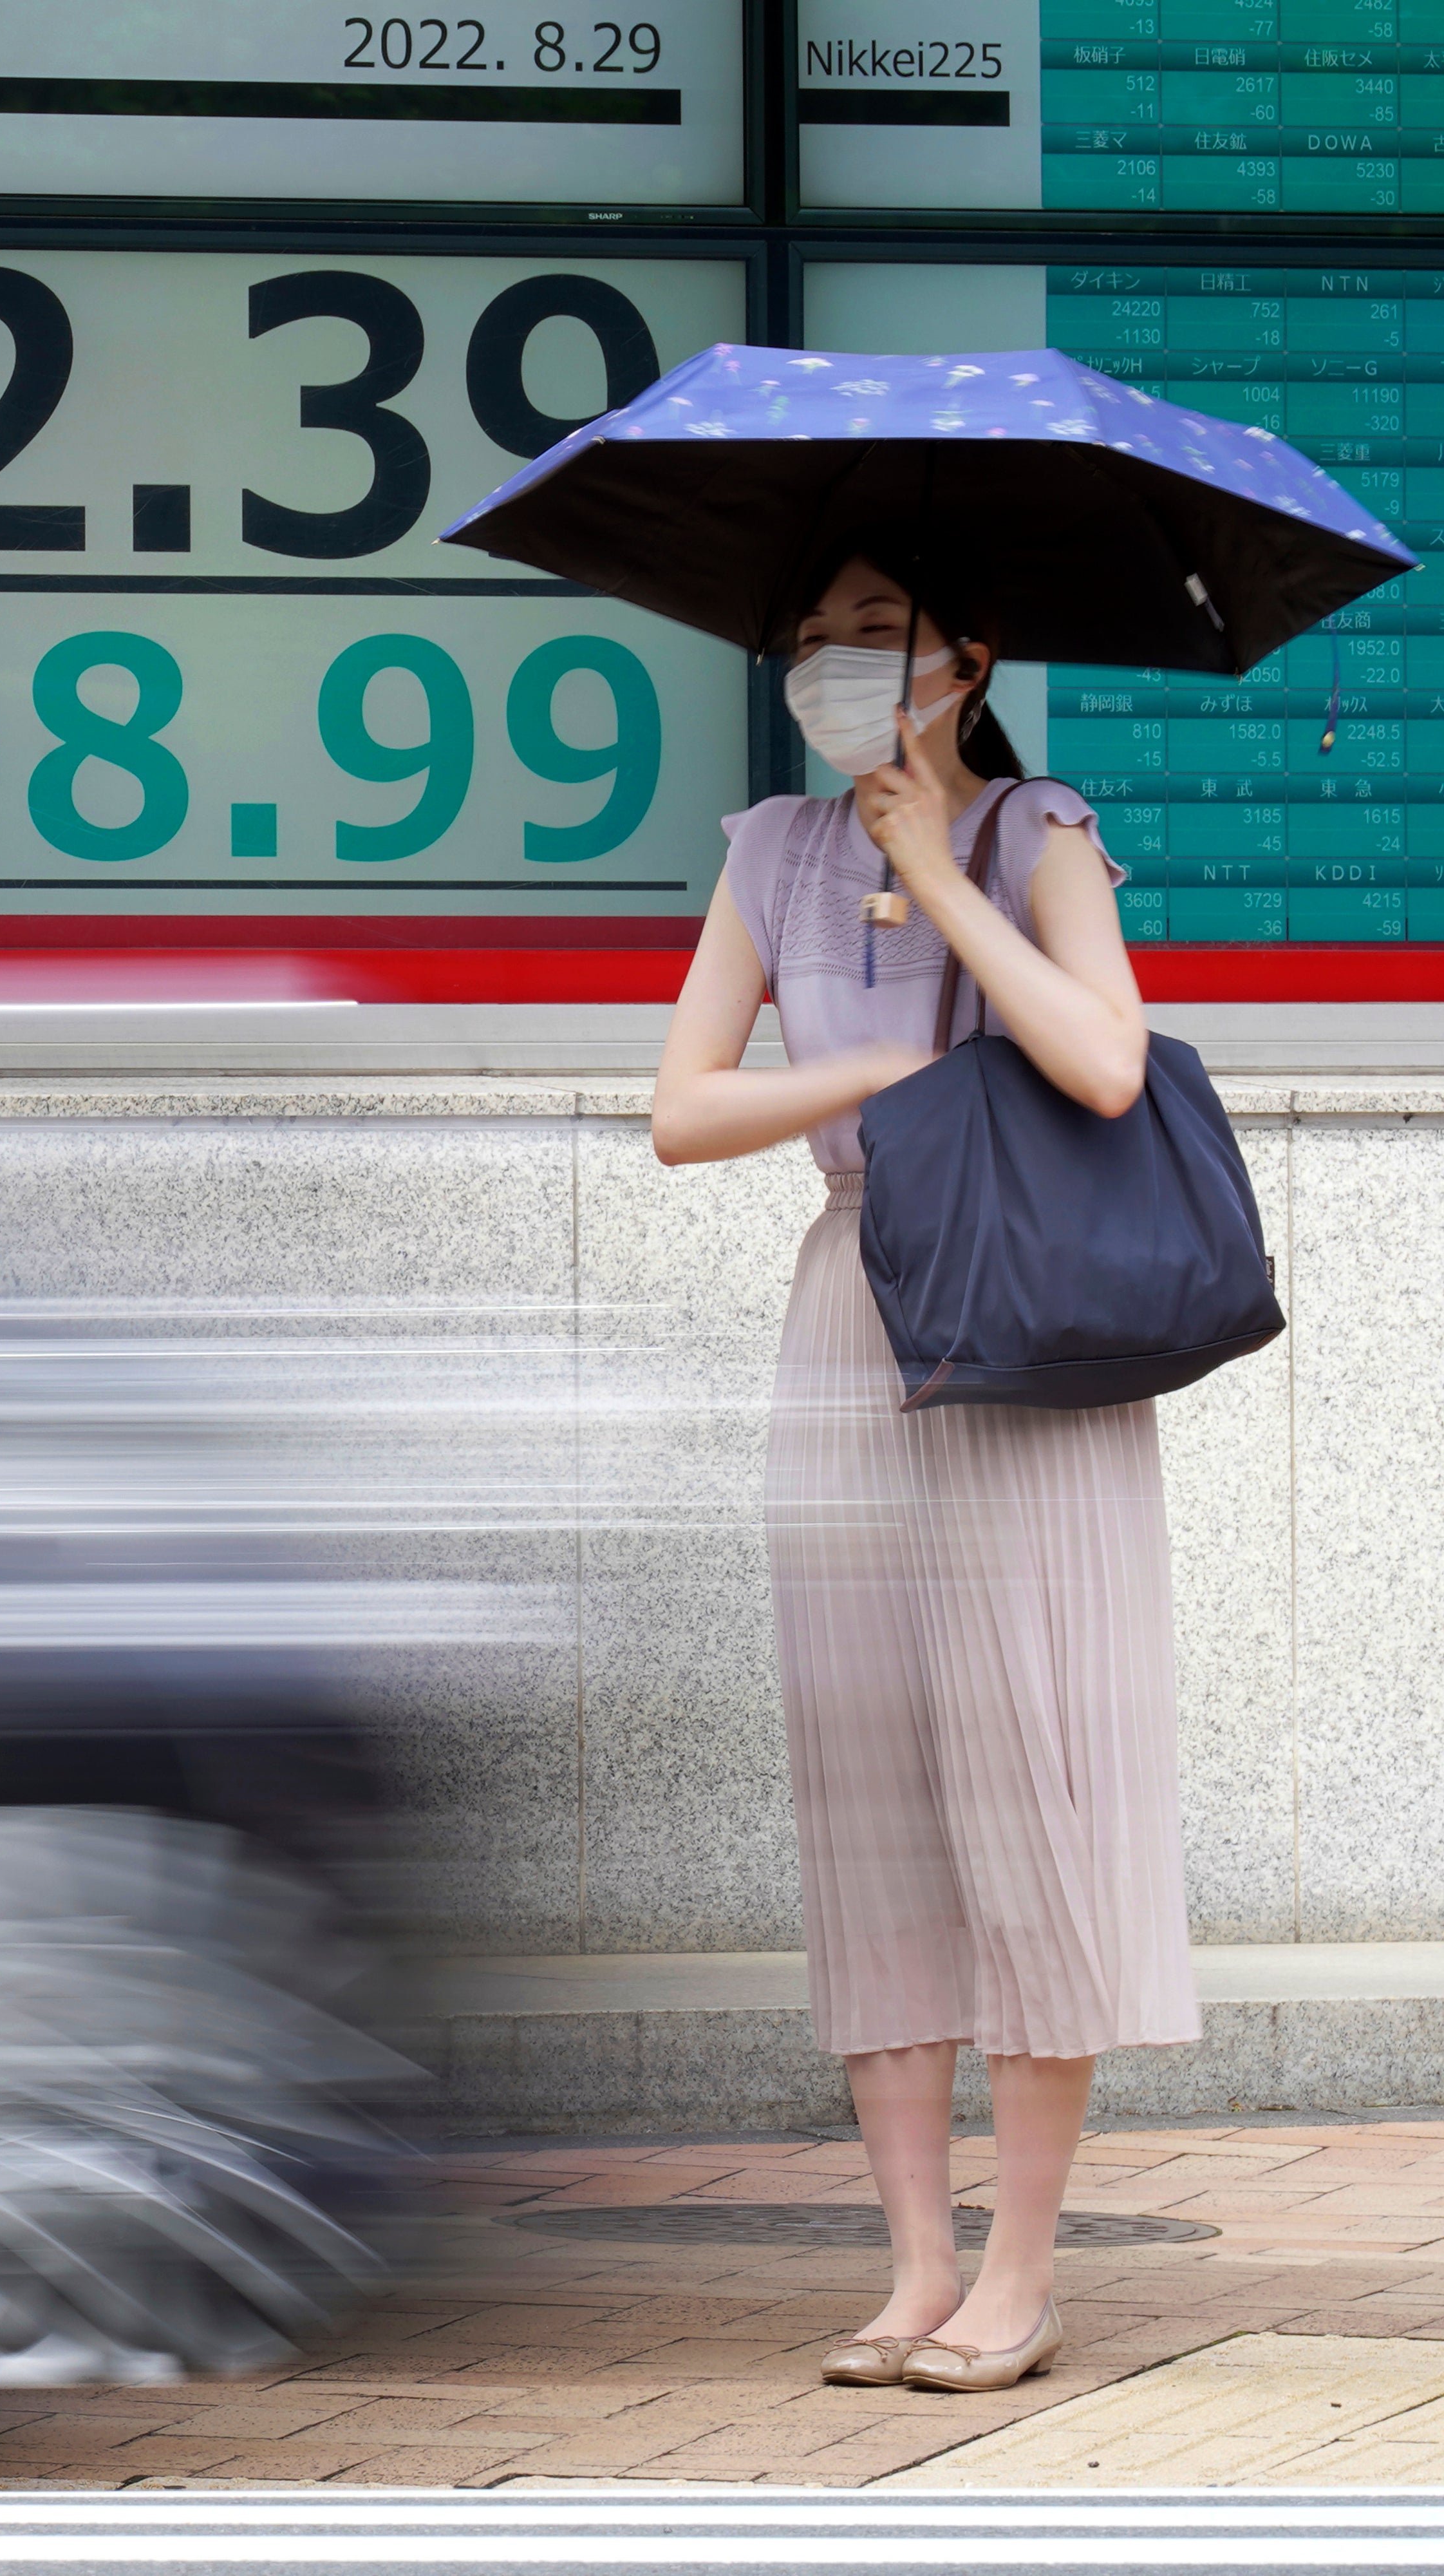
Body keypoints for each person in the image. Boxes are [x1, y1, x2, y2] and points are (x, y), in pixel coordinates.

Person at [650, 535, 1192, 2398]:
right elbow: (684, 1109)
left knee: (1034, 1776)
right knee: (871, 1791)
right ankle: (910, 2262)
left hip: (1026, 1336)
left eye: (872, 635)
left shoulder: (1042, 828)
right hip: (850, 1314)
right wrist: (870, 1089)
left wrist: (930, 874)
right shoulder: (764, 854)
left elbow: (1105, 1063)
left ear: (966, 657)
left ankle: (1020, 2271)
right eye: (813, 638)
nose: (834, 665)